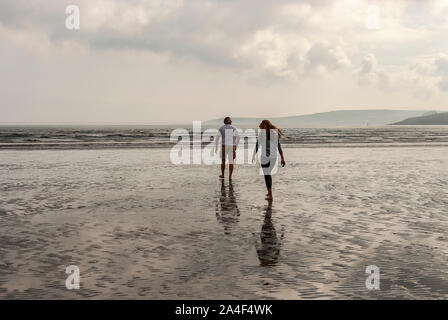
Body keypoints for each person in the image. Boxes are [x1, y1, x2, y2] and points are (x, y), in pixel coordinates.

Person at [252, 120, 286, 201]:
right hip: (274, 157)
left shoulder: (262, 133)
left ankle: (270, 194)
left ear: (264, 125)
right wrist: (282, 158)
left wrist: (253, 155)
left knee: (267, 175)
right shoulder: (274, 133)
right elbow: (279, 146)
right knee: (268, 174)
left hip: (265, 157)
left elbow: (257, 145)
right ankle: (269, 191)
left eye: (261, 125)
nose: (260, 127)